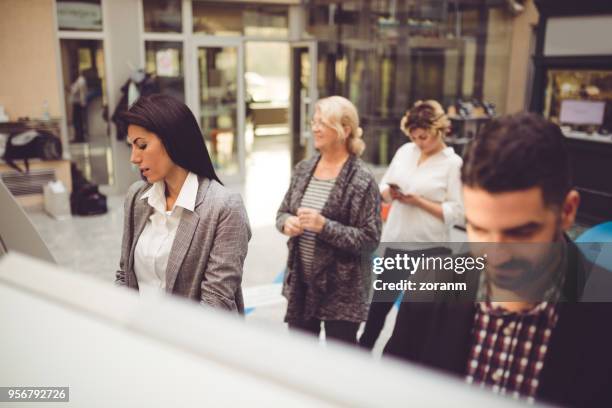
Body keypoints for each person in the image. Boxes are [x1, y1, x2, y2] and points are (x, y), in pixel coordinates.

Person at [383, 113, 612, 406]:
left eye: (520, 233)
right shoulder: (431, 282)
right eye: (478, 228)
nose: (497, 255)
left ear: (567, 211)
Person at [115, 94, 250, 313]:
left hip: (191, 342)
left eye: (142, 145)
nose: (134, 158)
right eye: (132, 146)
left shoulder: (224, 208)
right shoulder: (136, 198)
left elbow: (216, 303)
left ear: (172, 140)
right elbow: (125, 276)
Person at [276, 95, 382, 344]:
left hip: (343, 291)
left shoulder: (361, 179)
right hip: (302, 284)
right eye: (314, 121)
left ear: (344, 130)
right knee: (302, 358)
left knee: (339, 366)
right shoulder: (304, 168)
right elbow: (282, 212)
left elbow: (370, 239)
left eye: (322, 122)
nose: (314, 128)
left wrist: (324, 226)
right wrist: (286, 223)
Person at [359, 100, 463, 349]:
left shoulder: (453, 164)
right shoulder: (406, 151)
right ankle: (359, 361)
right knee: (376, 313)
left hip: (431, 252)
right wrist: (389, 193)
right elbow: (384, 187)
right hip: (397, 243)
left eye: (424, 137)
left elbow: (456, 213)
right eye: (414, 137)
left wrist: (418, 201)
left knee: (415, 320)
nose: (419, 142)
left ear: (439, 131)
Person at [69, 70, 88, 143]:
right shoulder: (80, 80)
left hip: (78, 103)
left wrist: (69, 89)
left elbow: (74, 91)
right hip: (79, 103)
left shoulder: (80, 81)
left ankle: (79, 137)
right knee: (78, 121)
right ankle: (79, 137)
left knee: (77, 121)